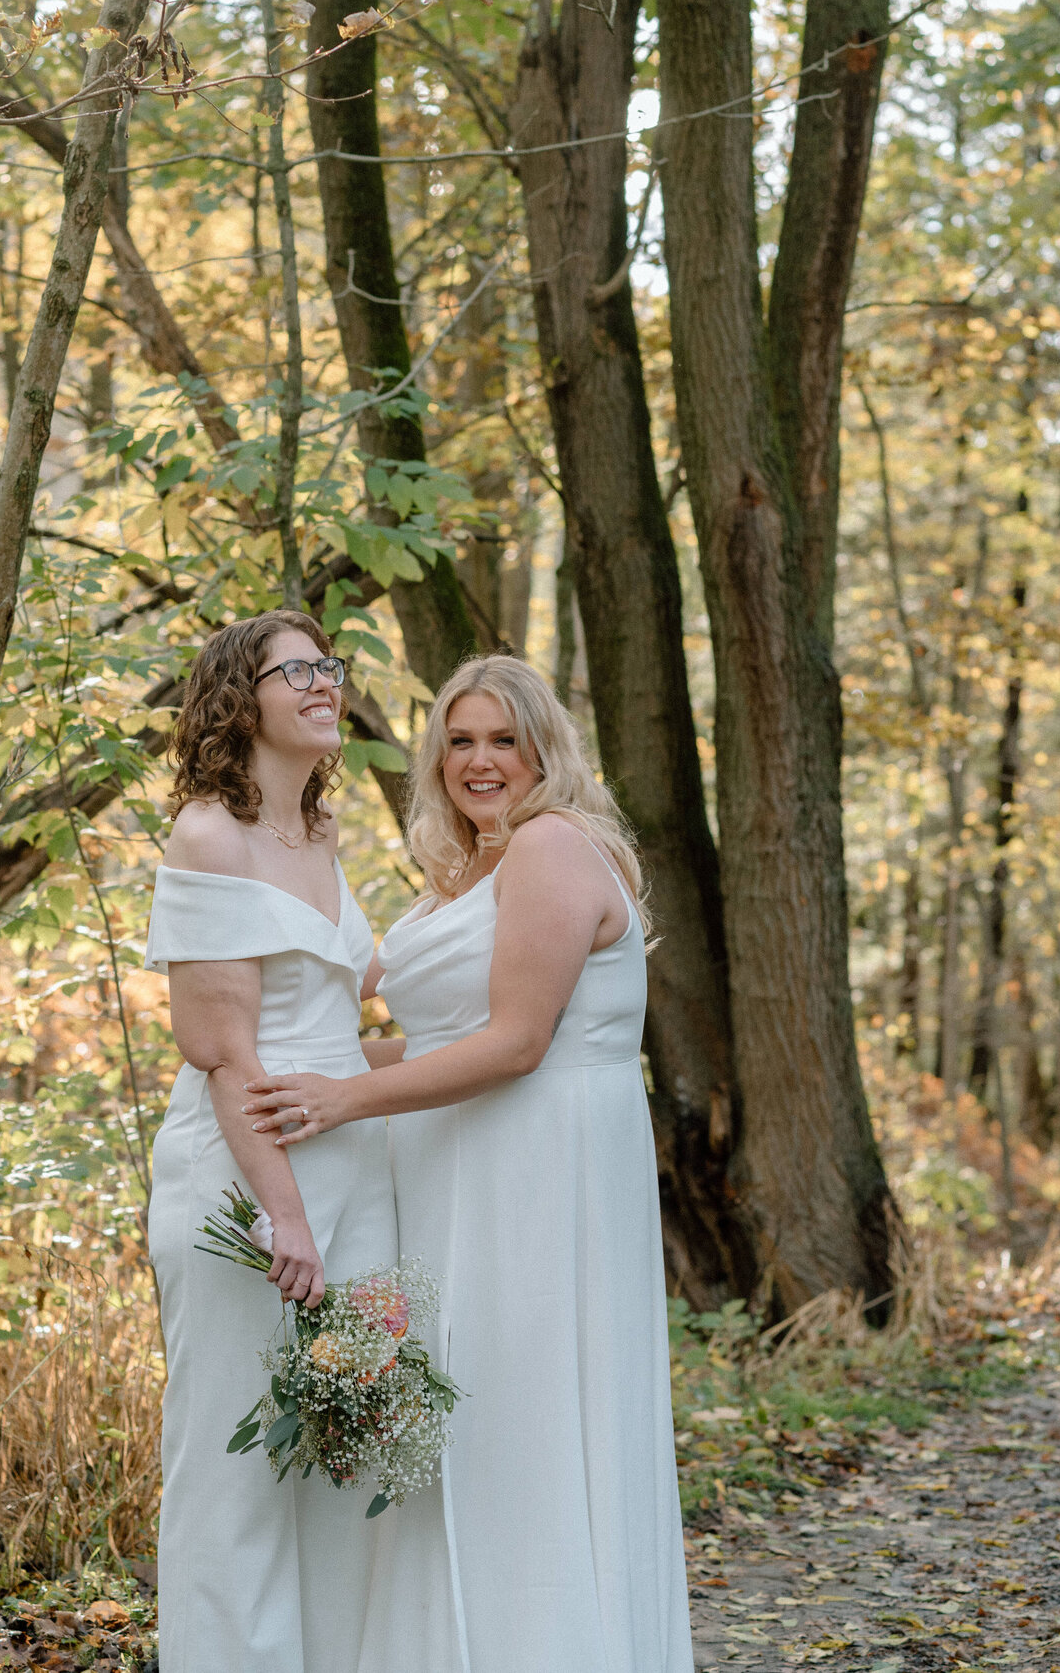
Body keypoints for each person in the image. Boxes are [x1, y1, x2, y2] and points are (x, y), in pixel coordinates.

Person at [243, 655, 695, 1673]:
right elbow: (449, 1037)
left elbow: (518, 1042)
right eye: (459, 740)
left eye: (503, 739)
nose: (479, 761)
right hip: (462, 1163)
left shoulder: (551, 848)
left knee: (523, 1423)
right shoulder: (481, 868)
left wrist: (345, 1096)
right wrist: (312, 1066)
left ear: (546, 747)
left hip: (541, 1173)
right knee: (469, 1426)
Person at [144, 612, 397, 1673]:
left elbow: (357, 1025)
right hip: (250, 1181)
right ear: (239, 698)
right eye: (298, 671)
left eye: (330, 668)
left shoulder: (324, 834)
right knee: (237, 1465)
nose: (324, 683)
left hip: (357, 1171)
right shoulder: (210, 832)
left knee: (345, 1447)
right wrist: (283, 1215)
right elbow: (223, 1052)